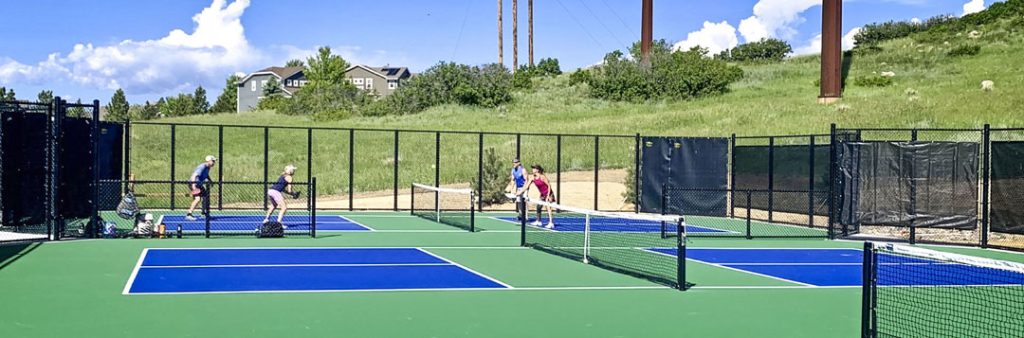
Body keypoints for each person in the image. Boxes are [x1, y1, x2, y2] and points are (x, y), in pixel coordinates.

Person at [518, 165, 555, 229]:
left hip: (549, 193)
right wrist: (520, 192)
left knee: (548, 208)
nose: (532, 169)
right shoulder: (532, 178)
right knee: (538, 207)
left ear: (537, 170)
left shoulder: (542, 177)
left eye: (534, 168)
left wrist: (548, 196)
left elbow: (549, 186)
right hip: (542, 194)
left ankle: (551, 223)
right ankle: (538, 221)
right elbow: (526, 186)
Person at [185, 155, 216, 221]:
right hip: (194, 183)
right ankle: (189, 214)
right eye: (213, 161)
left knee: (205, 197)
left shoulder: (208, 167)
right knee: (198, 199)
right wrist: (194, 185)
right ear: (209, 161)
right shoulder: (202, 167)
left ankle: (203, 213)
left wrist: (210, 181)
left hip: (199, 184)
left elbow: (206, 175)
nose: (214, 162)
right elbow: (194, 175)